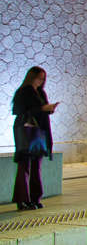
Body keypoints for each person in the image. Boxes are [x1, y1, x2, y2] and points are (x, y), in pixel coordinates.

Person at [11, 66, 58, 210]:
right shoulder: (23, 92)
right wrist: (41, 109)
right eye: (39, 78)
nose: (41, 81)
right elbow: (18, 110)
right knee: (24, 165)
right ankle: (22, 199)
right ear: (31, 77)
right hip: (26, 131)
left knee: (37, 166)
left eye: (43, 79)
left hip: (39, 132)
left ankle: (35, 198)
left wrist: (48, 109)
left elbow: (41, 109)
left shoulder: (41, 92)